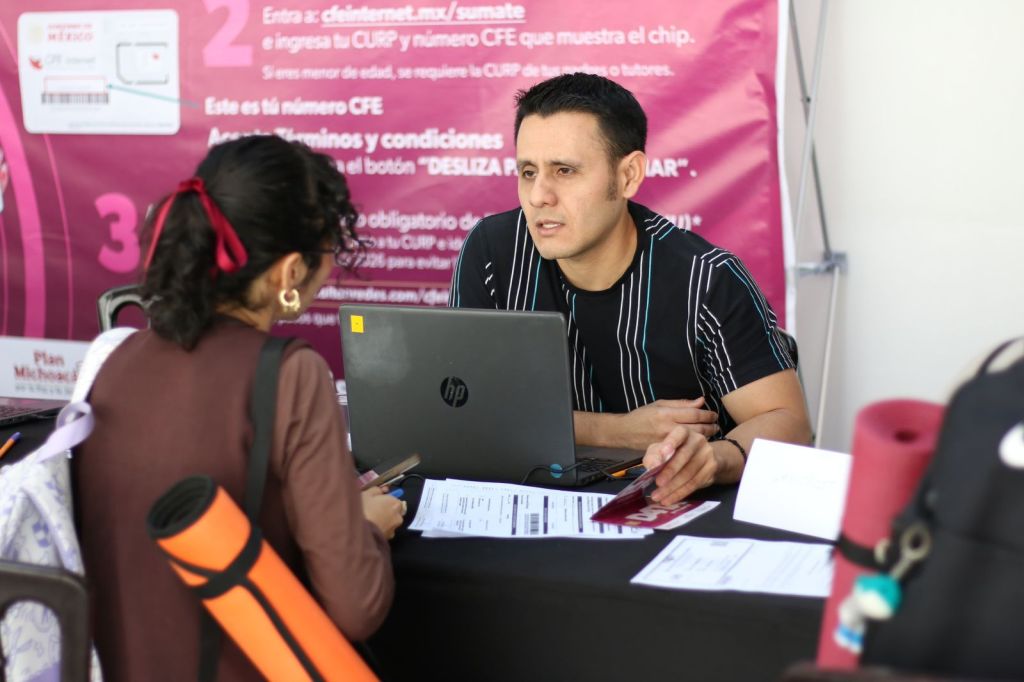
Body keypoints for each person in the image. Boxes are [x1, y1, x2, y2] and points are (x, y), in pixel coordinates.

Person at [73, 135, 403, 680]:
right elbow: (357, 605)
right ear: (289, 273)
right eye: (327, 254)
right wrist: (365, 526)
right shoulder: (291, 374)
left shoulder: (113, 360)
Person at [449, 73, 811, 506]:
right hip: (535, 500)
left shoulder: (707, 279)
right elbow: (464, 407)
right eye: (528, 172)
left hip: (677, 509)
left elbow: (789, 423)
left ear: (628, 175)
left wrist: (713, 459)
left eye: (564, 171)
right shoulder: (492, 251)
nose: (539, 196)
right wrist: (616, 430)